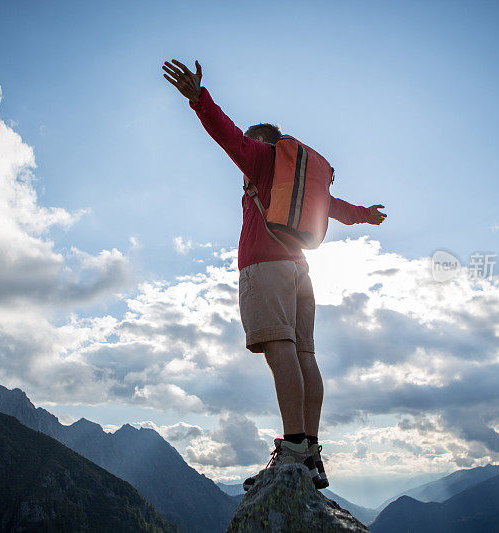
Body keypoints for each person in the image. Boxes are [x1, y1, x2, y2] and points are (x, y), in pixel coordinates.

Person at [162, 59, 386, 491]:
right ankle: (311, 453)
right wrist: (366, 217)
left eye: (253, 139)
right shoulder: (300, 184)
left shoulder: (262, 160)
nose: (246, 145)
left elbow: (226, 135)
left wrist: (198, 99)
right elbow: (336, 208)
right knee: (305, 355)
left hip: (265, 268)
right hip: (301, 270)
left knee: (281, 351)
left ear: (264, 140)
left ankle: (294, 448)